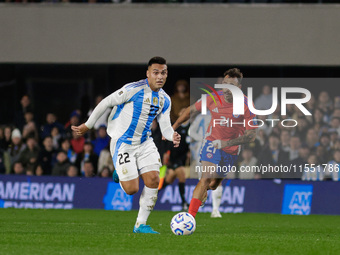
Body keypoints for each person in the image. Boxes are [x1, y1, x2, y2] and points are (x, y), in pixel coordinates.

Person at [71, 57, 180, 234]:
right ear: (148, 73)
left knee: (153, 179)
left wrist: (172, 135)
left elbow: (165, 126)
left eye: (164, 73)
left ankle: (140, 225)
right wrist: (88, 125)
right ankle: (120, 175)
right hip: (124, 143)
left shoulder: (165, 99)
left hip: (145, 142)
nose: (160, 76)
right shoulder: (133, 89)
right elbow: (106, 102)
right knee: (132, 189)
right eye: (156, 72)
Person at [172, 68, 257, 219]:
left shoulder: (246, 104)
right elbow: (189, 111)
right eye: (224, 84)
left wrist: (227, 143)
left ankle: (205, 193)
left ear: (239, 88)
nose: (226, 88)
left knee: (213, 185)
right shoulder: (213, 97)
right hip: (211, 142)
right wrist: (172, 128)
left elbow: (251, 136)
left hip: (231, 149)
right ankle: (190, 217)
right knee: (205, 177)